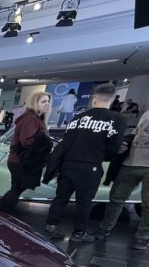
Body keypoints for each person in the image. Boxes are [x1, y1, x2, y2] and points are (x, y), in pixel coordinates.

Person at [43, 83, 126, 242]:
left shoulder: (77, 118)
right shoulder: (117, 119)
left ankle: (51, 226)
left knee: (60, 198)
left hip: (68, 164)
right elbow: (114, 147)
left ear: (94, 98)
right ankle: (78, 233)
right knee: (84, 202)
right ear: (112, 99)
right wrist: (106, 155)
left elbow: (66, 142)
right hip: (90, 166)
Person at [95, 110, 149, 250]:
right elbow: (136, 134)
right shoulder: (146, 113)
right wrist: (125, 140)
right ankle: (105, 228)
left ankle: (143, 236)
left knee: (147, 204)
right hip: (130, 162)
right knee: (116, 198)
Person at [0, 92, 52, 215]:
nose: (47, 104)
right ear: (34, 103)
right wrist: (44, 142)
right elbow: (27, 141)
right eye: (43, 101)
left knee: (16, 189)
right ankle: (2, 214)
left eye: (48, 101)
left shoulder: (34, 119)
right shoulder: (31, 119)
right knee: (16, 190)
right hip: (21, 161)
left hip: (20, 160)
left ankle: (0, 213)